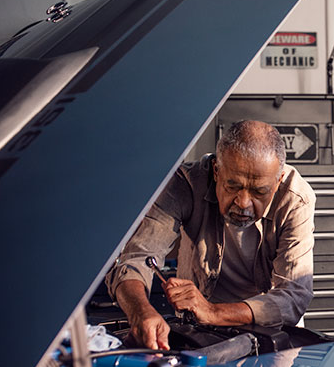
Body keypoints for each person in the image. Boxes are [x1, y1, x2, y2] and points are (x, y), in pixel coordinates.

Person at [105, 120, 316, 351]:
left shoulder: (296, 199)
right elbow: (136, 258)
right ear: (216, 170)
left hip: (270, 329)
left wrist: (214, 312)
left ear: (278, 182)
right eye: (232, 186)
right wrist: (141, 313)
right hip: (198, 328)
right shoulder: (185, 184)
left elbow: (294, 295)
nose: (243, 203)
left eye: (259, 191)